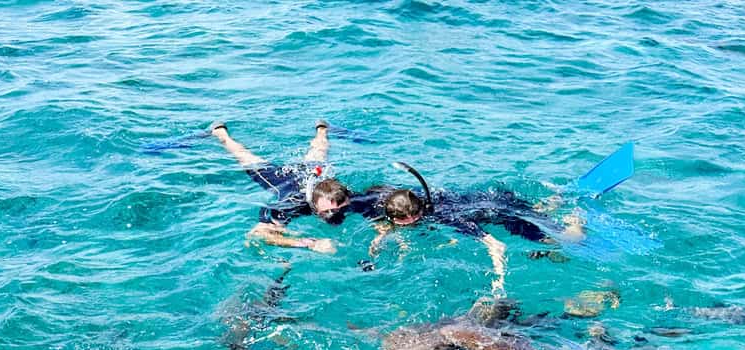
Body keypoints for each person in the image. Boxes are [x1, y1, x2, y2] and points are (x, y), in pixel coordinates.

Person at [366, 166, 586, 293]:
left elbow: (495, 244)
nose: (411, 222)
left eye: (414, 218)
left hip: (500, 212)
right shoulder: (404, 206)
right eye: (403, 221)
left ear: (420, 211)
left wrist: (499, 279)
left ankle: (575, 217)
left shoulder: (447, 217)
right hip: (484, 199)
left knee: (569, 239)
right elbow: (389, 223)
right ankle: (550, 202)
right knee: (533, 211)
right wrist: (377, 243)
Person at [210, 120, 380, 254]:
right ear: (314, 205)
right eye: (326, 212)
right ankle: (221, 133)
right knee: (245, 158)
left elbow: (379, 210)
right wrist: (309, 244)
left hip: (313, 173)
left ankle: (322, 129)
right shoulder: (292, 203)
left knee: (319, 155)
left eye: (339, 210)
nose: (332, 216)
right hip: (285, 180)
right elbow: (258, 234)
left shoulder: (350, 199)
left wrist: (381, 233)